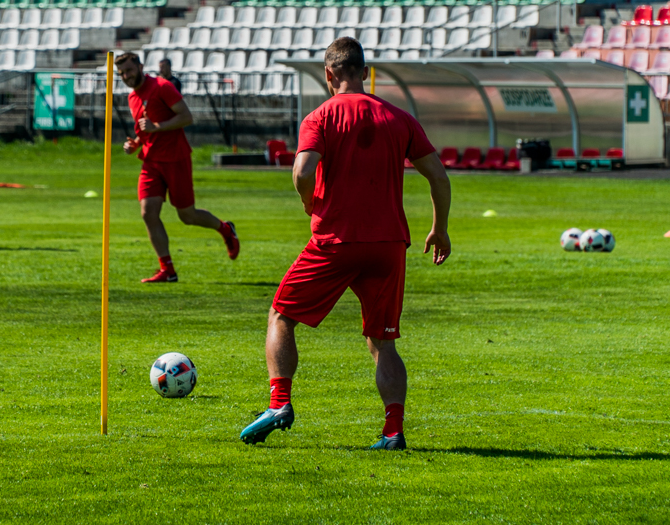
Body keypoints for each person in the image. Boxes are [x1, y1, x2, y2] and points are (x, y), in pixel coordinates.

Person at [240, 37, 452, 450]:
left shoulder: (320, 116)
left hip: (336, 239)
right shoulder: (399, 117)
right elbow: (439, 177)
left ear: (329, 74)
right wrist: (439, 228)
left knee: (281, 315)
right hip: (389, 243)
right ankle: (393, 431)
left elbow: (302, 172)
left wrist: (309, 201)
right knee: (383, 341)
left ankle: (279, 404)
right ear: (365, 72)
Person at [115, 52, 240, 283]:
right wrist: (136, 144)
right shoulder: (132, 97)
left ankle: (225, 229)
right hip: (151, 161)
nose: (126, 76)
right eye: (121, 73)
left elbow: (186, 117)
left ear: (140, 66)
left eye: (129, 70)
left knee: (187, 215)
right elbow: (145, 130)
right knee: (148, 212)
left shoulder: (162, 87)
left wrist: (156, 126)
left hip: (175, 158)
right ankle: (168, 270)